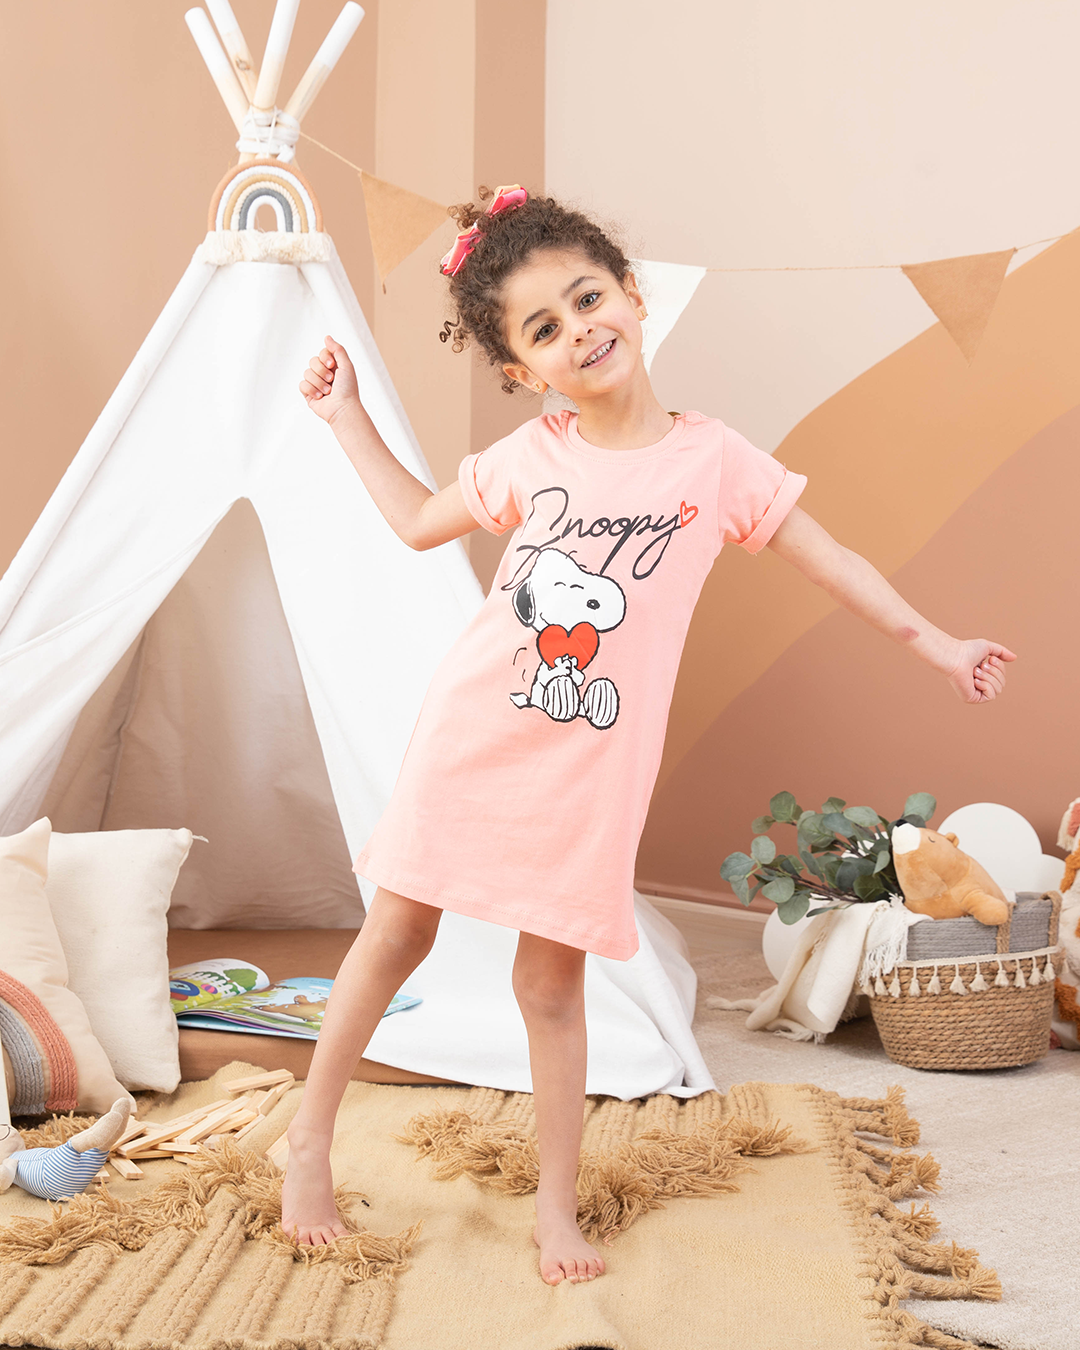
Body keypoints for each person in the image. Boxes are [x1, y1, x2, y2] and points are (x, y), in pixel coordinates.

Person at [281, 185, 1016, 1284]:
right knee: (396, 934)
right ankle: (308, 1142)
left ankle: (557, 1208)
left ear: (631, 293)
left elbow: (836, 564)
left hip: (589, 771)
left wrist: (941, 646)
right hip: (473, 737)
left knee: (551, 987)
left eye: (588, 299)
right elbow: (416, 521)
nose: (579, 330)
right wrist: (346, 417)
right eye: (544, 329)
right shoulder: (532, 455)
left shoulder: (715, 463)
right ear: (524, 371)